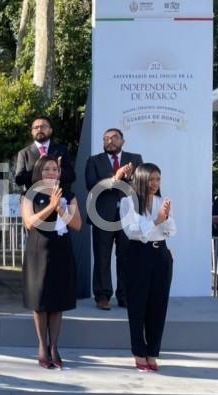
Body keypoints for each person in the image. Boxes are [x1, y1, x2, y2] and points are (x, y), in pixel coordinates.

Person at [21, 156, 81, 369]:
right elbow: (29, 222)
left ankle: (54, 346)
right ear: (39, 172)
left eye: (55, 169)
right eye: (46, 169)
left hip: (61, 251)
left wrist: (61, 208)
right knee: (41, 301)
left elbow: (77, 224)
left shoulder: (69, 195)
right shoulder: (30, 195)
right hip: (38, 251)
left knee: (57, 301)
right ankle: (41, 346)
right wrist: (51, 207)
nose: (51, 172)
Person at [120, 163, 176, 371]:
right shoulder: (128, 203)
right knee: (137, 306)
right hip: (138, 256)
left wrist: (166, 218)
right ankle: (139, 352)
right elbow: (132, 232)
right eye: (151, 179)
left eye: (158, 179)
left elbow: (172, 231)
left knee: (158, 306)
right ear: (141, 179)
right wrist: (156, 220)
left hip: (161, 255)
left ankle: (153, 352)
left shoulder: (163, 202)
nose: (154, 184)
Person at [85, 128, 143, 310]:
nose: (109, 141)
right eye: (106, 138)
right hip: (102, 216)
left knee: (126, 257)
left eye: (114, 138)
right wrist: (115, 178)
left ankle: (125, 296)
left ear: (123, 141)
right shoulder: (94, 160)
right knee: (102, 258)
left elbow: (142, 184)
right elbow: (91, 185)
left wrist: (130, 177)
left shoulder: (135, 159)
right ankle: (102, 296)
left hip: (128, 216)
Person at [15, 116, 75, 192]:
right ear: (32, 132)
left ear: (50, 130)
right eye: (36, 127)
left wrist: (56, 170)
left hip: (58, 196)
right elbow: (19, 180)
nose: (39, 129)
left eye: (43, 126)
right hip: (33, 198)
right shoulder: (24, 153)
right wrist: (38, 168)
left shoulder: (61, 150)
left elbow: (71, 176)